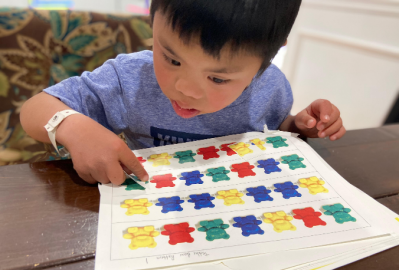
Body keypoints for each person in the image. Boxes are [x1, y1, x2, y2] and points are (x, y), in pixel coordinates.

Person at [20, 0, 345, 185]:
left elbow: (275, 127)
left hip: (233, 204)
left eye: (218, 78)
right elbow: (35, 108)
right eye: (172, 58)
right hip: (143, 206)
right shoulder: (128, 78)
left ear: (268, 57)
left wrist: (300, 126)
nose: (185, 89)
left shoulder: (271, 85)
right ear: (153, 18)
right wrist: (74, 128)